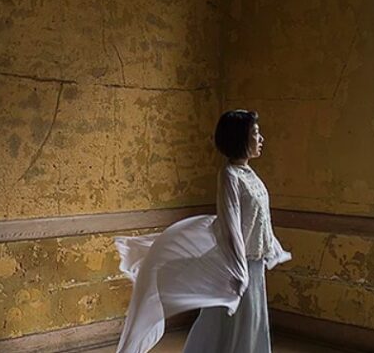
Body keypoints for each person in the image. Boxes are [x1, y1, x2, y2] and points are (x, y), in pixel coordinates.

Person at [114, 110, 291, 353]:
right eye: (255, 133)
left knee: (250, 323)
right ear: (240, 139)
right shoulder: (229, 175)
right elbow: (231, 226)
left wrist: (272, 248)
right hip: (238, 265)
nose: (261, 139)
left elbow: (259, 218)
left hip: (254, 262)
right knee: (225, 323)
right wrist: (240, 270)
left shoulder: (250, 174)